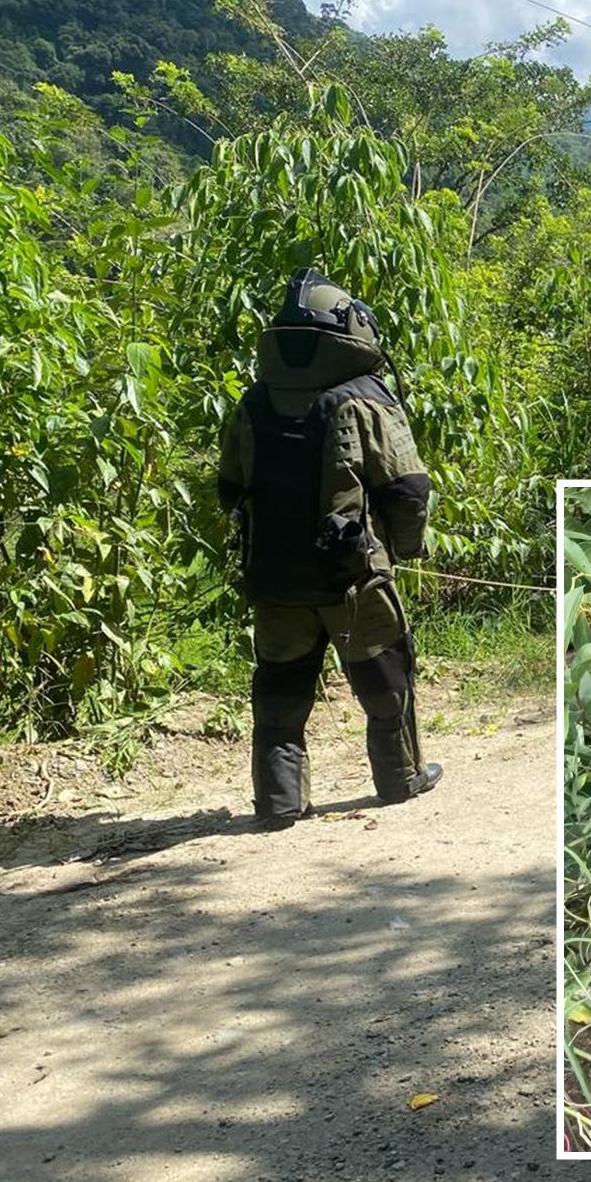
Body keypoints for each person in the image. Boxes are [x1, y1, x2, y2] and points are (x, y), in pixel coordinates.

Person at [217, 267, 443, 829]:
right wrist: (405, 550)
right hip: (353, 575)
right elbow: (408, 488)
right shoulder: (366, 400)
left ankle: (278, 802)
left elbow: (228, 485)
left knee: (280, 685)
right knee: (386, 674)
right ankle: (400, 777)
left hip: (274, 575)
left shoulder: (254, 402)